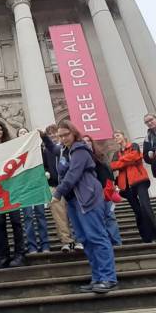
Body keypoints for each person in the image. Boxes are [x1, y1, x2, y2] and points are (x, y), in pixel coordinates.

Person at [42, 121, 117, 293]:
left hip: (87, 197)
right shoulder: (64, 150)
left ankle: (108, 278)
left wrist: (57, 193)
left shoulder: (80, 149)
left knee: (97, 237)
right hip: (74, 201)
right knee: (85, 239)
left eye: (65, 135)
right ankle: (98, 278)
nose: (62, 139)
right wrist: (44, 137)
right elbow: (53, 149)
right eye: (60, 136)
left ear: (74, 133)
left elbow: (73, 174)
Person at [0, 122, 26, 268]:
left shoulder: (13, 145)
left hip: (12, 188)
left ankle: (19, 253)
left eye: (0, 129)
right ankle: (3, 255)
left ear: (4, 131)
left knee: (16, 223)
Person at [111, 130, 156, 243]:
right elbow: (113, 165)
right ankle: (146, 236)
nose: (116, 138)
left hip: (139, 180)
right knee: (138, 211)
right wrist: (127, 160)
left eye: (117, 135)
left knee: (146, 206)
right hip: (126, 186)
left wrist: (122, 161)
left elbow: (136, 156)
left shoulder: (133, 146)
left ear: (123, 136)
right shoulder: (116, 153)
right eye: (114, 137)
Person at [42, 125, 80, 252]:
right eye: (50, 134)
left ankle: (79, 239)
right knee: (59, 216)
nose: (52, 136)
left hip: (70, 186)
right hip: (54, 186)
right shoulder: (47, 151)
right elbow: (45, 166)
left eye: (54, 133)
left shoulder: (67, 149)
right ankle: (67, 241)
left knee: (75, 213)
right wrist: (46, 173)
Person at [82, 135, 122, 246]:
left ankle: (116, 241)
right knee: (98, 218)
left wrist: (113, 185)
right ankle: (105, 242)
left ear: (92, 142)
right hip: (92, 192)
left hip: (106, 189)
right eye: (83, 141)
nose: (86, 143)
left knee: (109, 216)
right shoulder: (80, 156)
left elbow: (108, 170)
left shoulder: (100, 155)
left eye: (88, 141)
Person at [17, 127, 50, 254]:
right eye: (21, 133)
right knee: (28, 217)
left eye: (25, 132)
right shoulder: (16, 152)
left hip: (37, 186)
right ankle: (31, 246)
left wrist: (46, 172)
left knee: (41, 215)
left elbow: (46, 164)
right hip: (24, 188)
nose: (23, 134)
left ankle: (45, 244)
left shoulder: (38, 149)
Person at [143, 113, 156, 179]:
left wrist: (153, 150)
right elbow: (145, 157)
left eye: (151, 120)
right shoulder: (147, 138)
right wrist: (149, 156)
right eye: (147, 122)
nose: (149, 123)